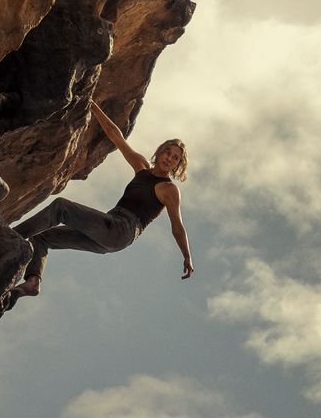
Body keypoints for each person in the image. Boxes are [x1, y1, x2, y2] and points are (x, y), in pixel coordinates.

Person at [10, 100, 193, 299]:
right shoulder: (141, 166)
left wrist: (186, 256)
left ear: (177, 165)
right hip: (107, 232)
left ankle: (10, 238)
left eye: (175, 158)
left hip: (123, 229)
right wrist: (92, 105)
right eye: (168, 152)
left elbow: (177, 227)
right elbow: (116, 136)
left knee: (61, 207)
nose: (169, 158)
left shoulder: (169, 189)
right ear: (159, 152)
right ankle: (33, 282)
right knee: (42, 237)